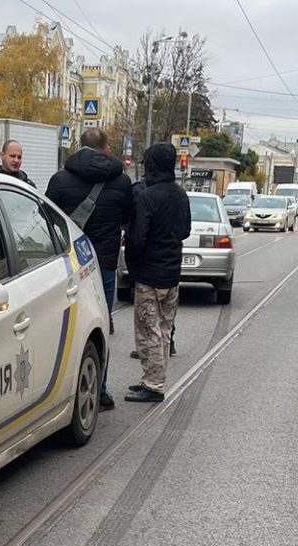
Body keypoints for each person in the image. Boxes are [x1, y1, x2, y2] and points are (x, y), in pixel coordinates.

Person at [46, 127, 134, 410]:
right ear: (106, 149)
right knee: (99, 325)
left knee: (57, 327)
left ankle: (57, 390)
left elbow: (46, 221)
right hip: (103, 266)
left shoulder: (59, 179)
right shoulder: (121, 182)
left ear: (79, 146)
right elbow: (127, 218)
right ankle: (99, 390)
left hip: (65, 266)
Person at [124, 142, 189, 403]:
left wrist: (134, 260)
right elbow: (185, 230)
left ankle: (153, 385)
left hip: (149, 274)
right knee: (163, 329)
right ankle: (154, 379)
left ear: (151, 166)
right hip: (172, 272)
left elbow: (137, 238)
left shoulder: (147, 197)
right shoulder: (180, 194)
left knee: (147, 329)